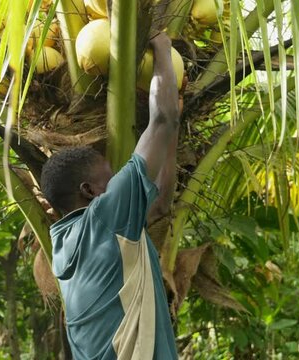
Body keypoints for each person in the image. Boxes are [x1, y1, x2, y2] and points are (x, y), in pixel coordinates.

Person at [40, 33, 180, 360]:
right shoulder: (106, 219)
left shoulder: (63, 246)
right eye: (110, 176)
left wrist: (172, 130)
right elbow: (162, 119)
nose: (118, 181)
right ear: (89, 191)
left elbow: (158, 204)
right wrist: (161, 46)